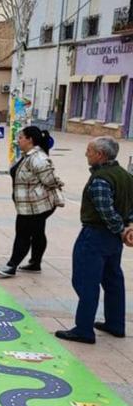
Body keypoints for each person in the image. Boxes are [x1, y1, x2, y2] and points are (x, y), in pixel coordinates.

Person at [55, 137, 133, 344]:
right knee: (112, 279)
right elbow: (129, 205)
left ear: (100, 155)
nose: (86, 154)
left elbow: (105, 210)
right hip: (113, 239)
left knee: (85, 280)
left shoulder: (101, 179)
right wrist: (127, 227)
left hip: (96, 234)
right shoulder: (125, 176)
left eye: (89, 151)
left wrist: (120, 230)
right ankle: (115, 323)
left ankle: (83, 329)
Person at [0, 126, 65, 278]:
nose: (17, 140)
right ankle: (35, 263)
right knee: (37, 232)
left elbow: (50, 180)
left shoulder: (38, 158)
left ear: (30, 140)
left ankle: (12, 265)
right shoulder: (28, 155)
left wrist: (58, 183)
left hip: (36, 205)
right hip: (29, 204)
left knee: (23, 234)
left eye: (21, 137)